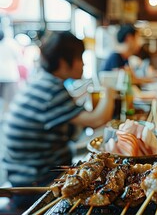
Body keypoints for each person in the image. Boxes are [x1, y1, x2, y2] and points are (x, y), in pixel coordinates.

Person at [2, 31, 115, 211]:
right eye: (80, 58)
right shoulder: (51, 91)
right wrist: (110, 91)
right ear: (63, 62)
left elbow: (67, 108)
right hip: (35, 182)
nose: (84, 63)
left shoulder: (42, 81)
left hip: (24, 171)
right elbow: (97, 120)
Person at [0, 29, 20, 119]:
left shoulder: (10, 43)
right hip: (10, 76)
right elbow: (18, 56)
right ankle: (7, 117)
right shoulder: (11, 43)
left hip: (8, 75)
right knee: (10, 100)